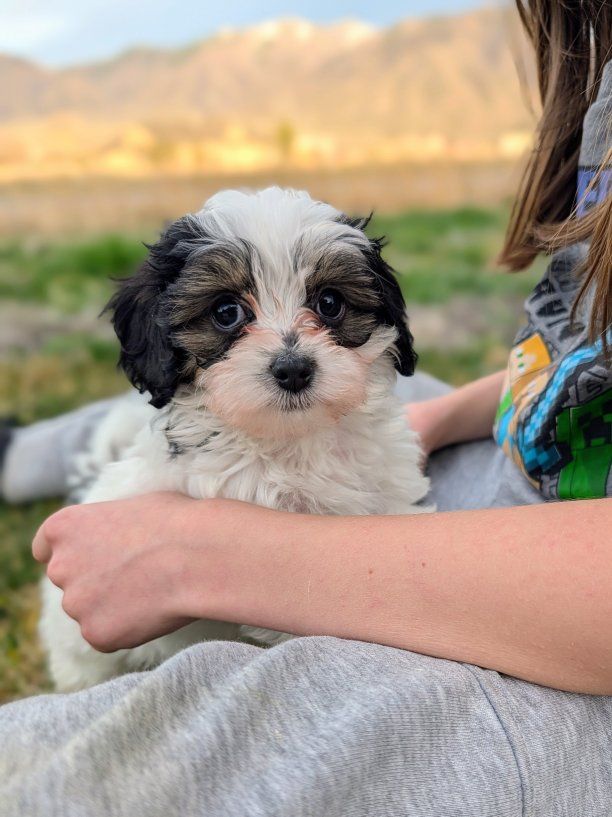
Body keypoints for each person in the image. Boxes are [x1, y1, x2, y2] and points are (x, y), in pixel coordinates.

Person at [0, 1, 611, 814]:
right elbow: (579, 370)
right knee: (366, 409)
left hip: (550, 641)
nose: (290, 350)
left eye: (330, 304)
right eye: (228, 316)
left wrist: (201, 547)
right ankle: (26, 455)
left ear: (382, 316)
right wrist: (453, 412)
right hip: (523, 483)